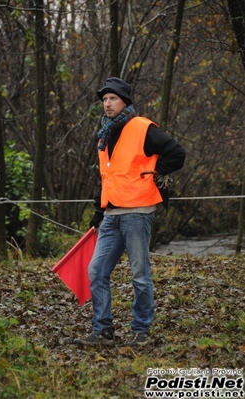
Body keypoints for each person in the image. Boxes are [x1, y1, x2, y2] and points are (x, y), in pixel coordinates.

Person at [74, 77, 186, 347]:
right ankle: (103, 331)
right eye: (104, 100)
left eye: (112, 98)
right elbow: (109, 176)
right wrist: (99, 211)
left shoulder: (142, 127)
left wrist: (156, 174)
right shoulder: (105, 133)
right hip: (111, 214)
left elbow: (177, 153)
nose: (107, 104)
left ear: (124, 100)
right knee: (96, 271)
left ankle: (141, 330)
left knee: (139, 275)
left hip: (138, 212)